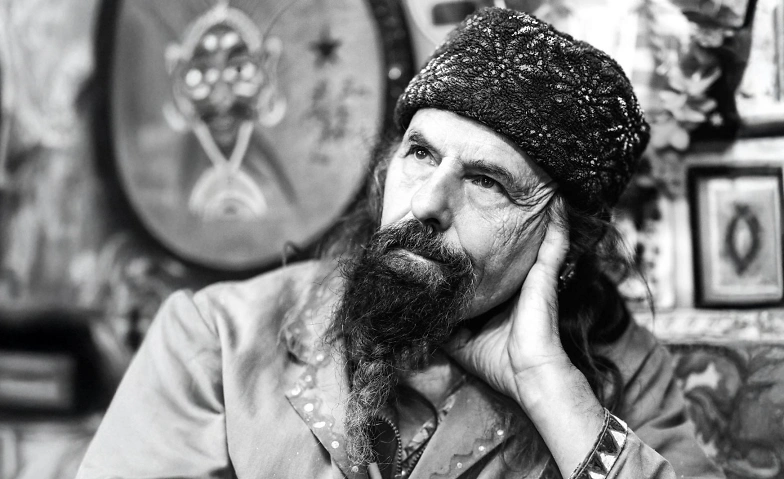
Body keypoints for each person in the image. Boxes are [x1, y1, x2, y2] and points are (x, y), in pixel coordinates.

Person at [77, 8, 724, 479]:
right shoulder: (214, 339)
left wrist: (549, 387)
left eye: (487, 182)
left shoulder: (621, 373)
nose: (426, 202)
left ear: (567, 244)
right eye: (421, 154)